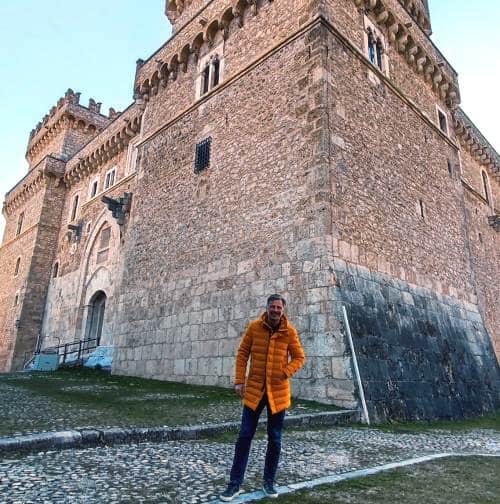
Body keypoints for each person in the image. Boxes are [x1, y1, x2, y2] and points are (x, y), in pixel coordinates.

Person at [220, 294, 305, 501]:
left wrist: (285, 372)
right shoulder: (254, 327)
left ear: (283, 310)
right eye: (272, 306)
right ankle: (235, 484)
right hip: (255, 392)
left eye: (279, 307)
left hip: (278, 394)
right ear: (266, 307)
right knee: (244, 436)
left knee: (274, 439)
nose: (275, 310)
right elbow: (242, 354)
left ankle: (269, 482)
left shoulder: (289, 331)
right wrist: (239, 380)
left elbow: (300, 357)